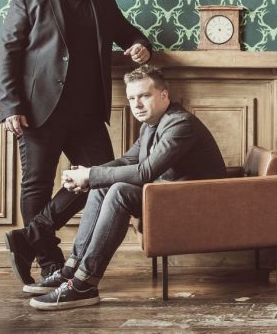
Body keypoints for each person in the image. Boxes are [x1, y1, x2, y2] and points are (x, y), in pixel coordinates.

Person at [0, 0, 153, 288]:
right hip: (39, 111)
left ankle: (27, 238)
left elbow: (132, 35)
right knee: (36, 185)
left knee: (104, 179)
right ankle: (49, 262)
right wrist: (10, 105)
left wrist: (141, 47)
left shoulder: (104, 5)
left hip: (88, 114)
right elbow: (9, 54)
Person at [26, 65, 227, 310]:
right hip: (170, 196)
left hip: (200, 204)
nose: (137, 104)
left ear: (164, 95)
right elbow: (128, 161)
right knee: (103, 186)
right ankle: (72, 270)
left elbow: (145, 172)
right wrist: (88, 174)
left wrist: (90, 175)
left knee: (119, 191)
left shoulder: (180, 124)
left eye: (144, 96)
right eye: (132, 98)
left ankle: (85, 283)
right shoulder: (151, 125)